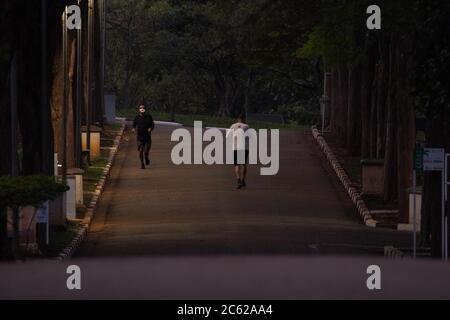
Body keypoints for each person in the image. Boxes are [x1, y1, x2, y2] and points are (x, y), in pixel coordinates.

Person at [229, 114, 250, 189]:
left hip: (236, 147)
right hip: (244, 147)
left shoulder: (233, 126)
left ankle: (238, 180)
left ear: (238, 118)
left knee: (237, 165)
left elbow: (229, 136)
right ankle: (243, 180)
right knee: (243, 164)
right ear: (244, 118)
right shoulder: (246, 126)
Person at [132, 105, 155, 169]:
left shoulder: (149, 117)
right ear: (139, 109)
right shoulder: (136, 117)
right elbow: (134, 124)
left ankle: (146, 158)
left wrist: (150, 128)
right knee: (141, 150)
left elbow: (152, 125)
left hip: (147, 138)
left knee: (146, 151)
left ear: (145, 109)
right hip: (140, 138)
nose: (142, 109)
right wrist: (133, 128)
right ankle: (142, 163)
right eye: (140, 108)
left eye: (143, 108)